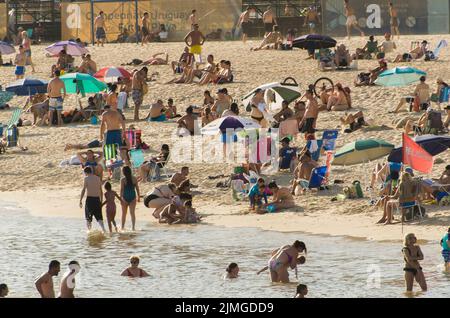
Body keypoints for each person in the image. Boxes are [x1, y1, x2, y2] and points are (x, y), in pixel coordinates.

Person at [80, 167, 106, 232]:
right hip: (97, 199)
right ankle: (103, 229)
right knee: (99, 216)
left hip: (89, 199)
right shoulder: (98, 178)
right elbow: (101, 191)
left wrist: (80, 200)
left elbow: (84, 189)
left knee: (88, 217)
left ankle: (89, 231)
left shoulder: (86, 178)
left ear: (86, 172)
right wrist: (101, 201)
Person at [120, 166, 140, 231]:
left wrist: (121, 198)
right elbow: (137, 188)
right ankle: (133, 227)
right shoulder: (134, 178)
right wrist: (139, 196)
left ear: (123, 172)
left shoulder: (123, 180)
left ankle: (122, 227)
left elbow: (121, 190)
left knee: (124, 214)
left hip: (125, 198)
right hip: (133, 197)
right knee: (132, 213)